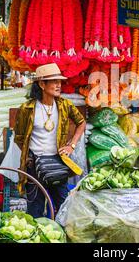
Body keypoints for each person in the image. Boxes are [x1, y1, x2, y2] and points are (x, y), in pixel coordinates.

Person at [14, 63, 86, 218]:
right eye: (54, 81)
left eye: (59, 81)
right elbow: (19, 138)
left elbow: (81, 123)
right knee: (35, 208)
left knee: (62, 206)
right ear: (41, 84)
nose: (58, 85)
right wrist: (30, 155)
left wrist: (72, 145)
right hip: (34, 164)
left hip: (58, 162)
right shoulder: (27, 108)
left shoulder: (65, 105)